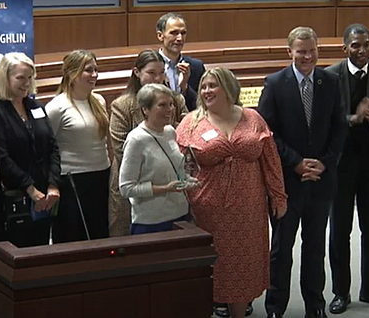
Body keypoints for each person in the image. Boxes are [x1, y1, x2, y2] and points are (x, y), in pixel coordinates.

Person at [175, 67, 287, 318]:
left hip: (248, 211)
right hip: (208, 210)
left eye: (212, 85)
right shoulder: (191, 122)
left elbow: (271, 161)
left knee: (242, 268)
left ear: (228, 88)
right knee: (211, 268)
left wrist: (278, 196)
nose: (206, 91)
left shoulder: (253, 119)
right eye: (203, 86)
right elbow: (178, 165)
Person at [257, 26, 347, 318]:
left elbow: (339, 128)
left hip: (321, 180)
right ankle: (275, 308)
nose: (307, 56)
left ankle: (315, 305)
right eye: (301, 51)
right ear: (290, 52)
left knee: (315, 248)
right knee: (281, 249)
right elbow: (267, 133)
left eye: (312, 51)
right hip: (286, 181)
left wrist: (324, 161)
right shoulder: (274, 83)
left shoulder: (331, 81)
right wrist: (295, 162)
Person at [324, 23, 369, 314]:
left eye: (366, 44)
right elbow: (326, 121)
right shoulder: (330, 76)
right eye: (356, 45)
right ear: (345, 48)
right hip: (341, 165)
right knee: (340, 231)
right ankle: (341, 292)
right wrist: (353, 118)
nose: (362, 50)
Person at [108, 49, 188, 237]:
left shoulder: (174, 98)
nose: (158, 78)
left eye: (161, 73)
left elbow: (186, 129)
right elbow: (121, 148)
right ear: (137, 73)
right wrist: (158, 182)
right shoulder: (123, 105)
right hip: (136, 184)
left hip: (172, 195)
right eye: (151, 73)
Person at [0, 52, 61, 248]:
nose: (26, 83)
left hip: (45, 196)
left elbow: (52, 146)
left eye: (29, 78)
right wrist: (30, 188)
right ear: (5, 78)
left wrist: (53, 184)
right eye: (20, 78)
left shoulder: (35, 106)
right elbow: (1, 156)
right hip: (15, 197)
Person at [46, 49, 111, 242]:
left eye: (96, 70)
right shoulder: (56, 106)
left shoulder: (98, 100)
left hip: (101, 174)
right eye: (88, 70)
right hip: (72, 179)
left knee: (99, 231)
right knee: (74, 235)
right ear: (71, 74)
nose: (94, 75)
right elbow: (49, 148)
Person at [119, 83, 191, 234]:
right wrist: (164, 189)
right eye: (162, 105)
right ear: (145, 110)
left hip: (181, 215)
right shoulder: (136, 140)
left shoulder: (170, 132)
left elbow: (174, 169)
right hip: (151, 222)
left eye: (171, 104)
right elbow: (126, 188)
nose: (170, 110)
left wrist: (188, 180)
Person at [156, 12, 205, 111]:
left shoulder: (196, 67)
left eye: (183, 33)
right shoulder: (150, 66)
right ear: (160, 36)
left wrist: (185, 87)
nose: (180, 38)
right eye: (174, 33)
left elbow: (203, 105)